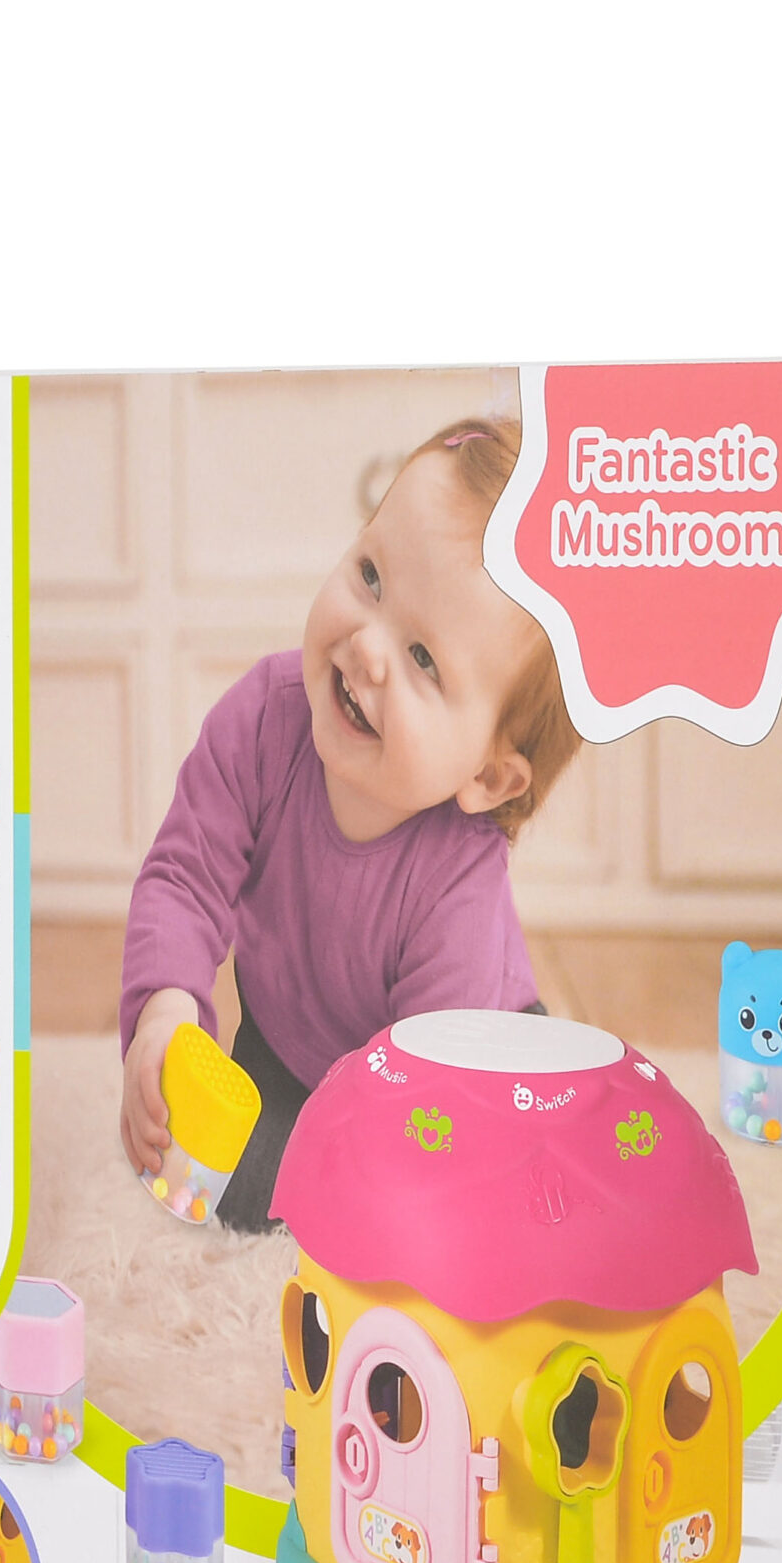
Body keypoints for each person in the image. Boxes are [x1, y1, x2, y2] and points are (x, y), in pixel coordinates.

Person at [118, 419, 575, 1229]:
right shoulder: (263, 721)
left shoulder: (457, 890)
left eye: (424, 659)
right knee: (225, 1189)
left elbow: (433, 1096)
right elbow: (185, 879)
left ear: (486, 775)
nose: (367, 649)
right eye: (370, 576)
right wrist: (164, 1009)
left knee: (454, 1198)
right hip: (290, 1040)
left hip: (456, 1066)